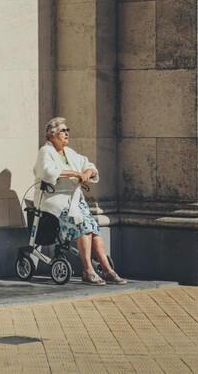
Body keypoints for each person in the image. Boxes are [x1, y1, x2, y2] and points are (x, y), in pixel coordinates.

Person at [33, 117, 126, 285]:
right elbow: (47, 173)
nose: (67, 133)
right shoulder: (45, 152)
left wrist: (87, 173)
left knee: (94, 229)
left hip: (74, 200)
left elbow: (89, 165)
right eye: (62, 131)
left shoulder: (70, 153)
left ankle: (107, 269)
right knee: (84, 226)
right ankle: (88, 270)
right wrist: (75, 173)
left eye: (67, 130)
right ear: (51, 135)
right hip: (55, 200)